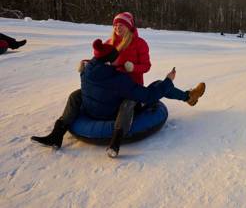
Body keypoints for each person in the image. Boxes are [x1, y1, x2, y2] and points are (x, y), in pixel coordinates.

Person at [31, 39, 206, 158]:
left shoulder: (86, 70)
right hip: (111, 113)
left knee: (76, 95)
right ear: (109, 62)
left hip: (93, 109)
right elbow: (147, 95)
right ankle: (115, 143)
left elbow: (138, 64)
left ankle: (57, 133)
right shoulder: (117, 78)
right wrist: (169, 80)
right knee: (151, 89)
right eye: (115, 59)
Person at [106, 12, 150, 85]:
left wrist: (133, 67)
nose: (117, 28)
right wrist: (87, 63)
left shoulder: (140, 43)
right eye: (115, 25)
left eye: (121, 25)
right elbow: (98, 59)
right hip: (112, 85)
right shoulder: (109, 43)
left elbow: (146, 66)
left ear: (128, 27)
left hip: (133, 86)